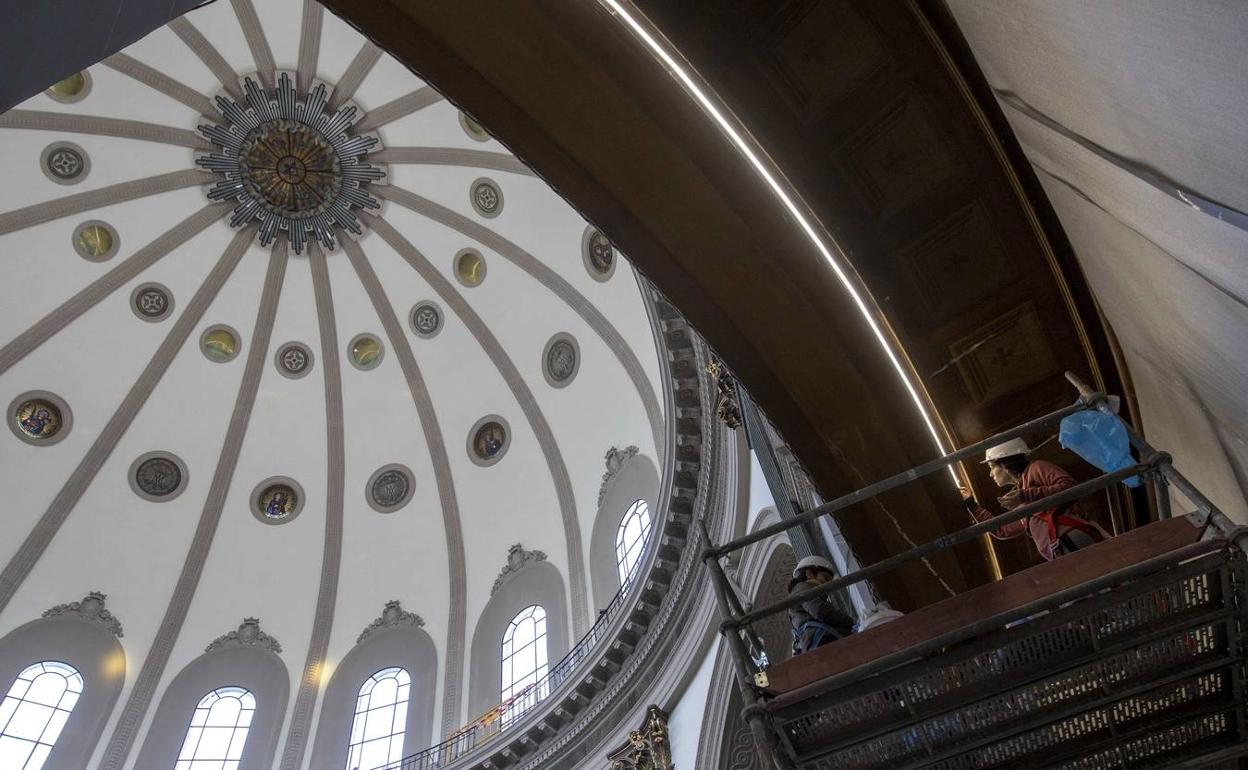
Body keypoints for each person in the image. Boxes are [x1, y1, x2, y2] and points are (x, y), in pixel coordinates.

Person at [960, 437, 1110, 561]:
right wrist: (972, 505)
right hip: (1059, 550)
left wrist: (1026, 495)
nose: (991, 474)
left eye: (992, 467)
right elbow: (1003, 530)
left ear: (1005, 463)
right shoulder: (1023, 498)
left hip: (1070, 537)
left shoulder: (1036, 468)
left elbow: (1070, 487)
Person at [788, 556, 856, 654]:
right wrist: (849, 621)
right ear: (809, 574)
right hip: (823, 639)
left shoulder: (798, 594)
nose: (828, 586)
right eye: (825, 578)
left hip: (816, 643)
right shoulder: (802, 588)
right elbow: (820, 611)